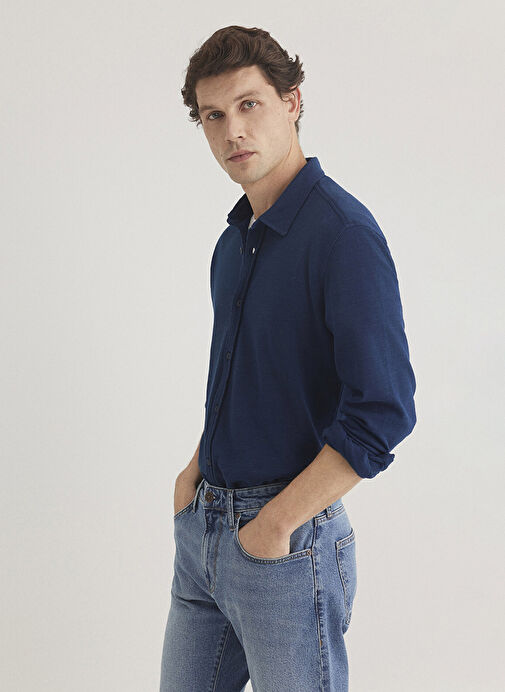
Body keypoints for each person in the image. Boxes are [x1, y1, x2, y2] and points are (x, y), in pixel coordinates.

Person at [160, 25, 416, 692]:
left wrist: (274, 524)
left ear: (292, 100)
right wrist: (193, 475)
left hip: (285, 544)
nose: (232, 131)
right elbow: (244, 380)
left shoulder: (342, 235)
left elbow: (383, 412)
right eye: (213, 116)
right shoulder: (233, 242)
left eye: (249, 104)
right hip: (203, 531)